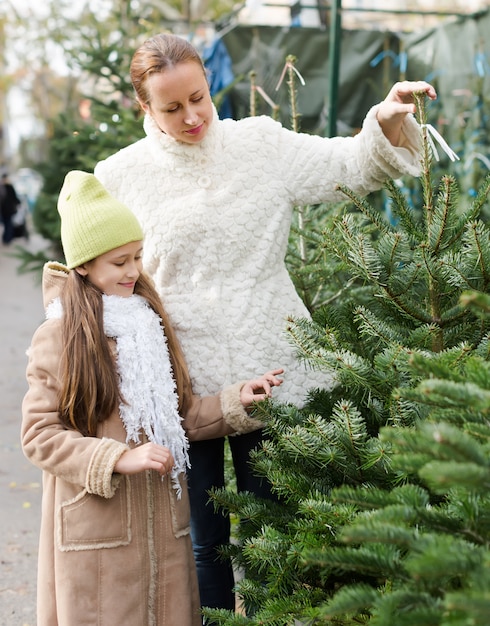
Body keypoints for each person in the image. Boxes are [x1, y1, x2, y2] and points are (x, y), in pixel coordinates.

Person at [94, 32, 437, 613]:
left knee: (274, 539)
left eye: (198, 98)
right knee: (203, 544)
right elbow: (98, 274)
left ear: (208, 85)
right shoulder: (120, 175)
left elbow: (347, 165)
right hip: (184, 389)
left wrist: (384, 117)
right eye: (172, 108)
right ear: (144, 108)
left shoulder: (259, 143)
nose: (192, 116)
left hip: (274, 368)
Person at [21, 170, 283, 626]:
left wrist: (237, 400)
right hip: (99, 528)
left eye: (138, 256)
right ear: (83, 265)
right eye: (119, 261)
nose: (133, 271)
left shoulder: (148, 323)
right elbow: (39, 436)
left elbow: (180, 417)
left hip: (163, 523)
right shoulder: (59, 336)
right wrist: (115, 458)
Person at [0, 172, 20, 244]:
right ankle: (7, 238)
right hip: (7, 210)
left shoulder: (3, 187)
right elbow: (15, 198)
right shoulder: (8, 187)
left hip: (4, 210)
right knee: (8, 224)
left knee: (6, 224)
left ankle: (6, 238)